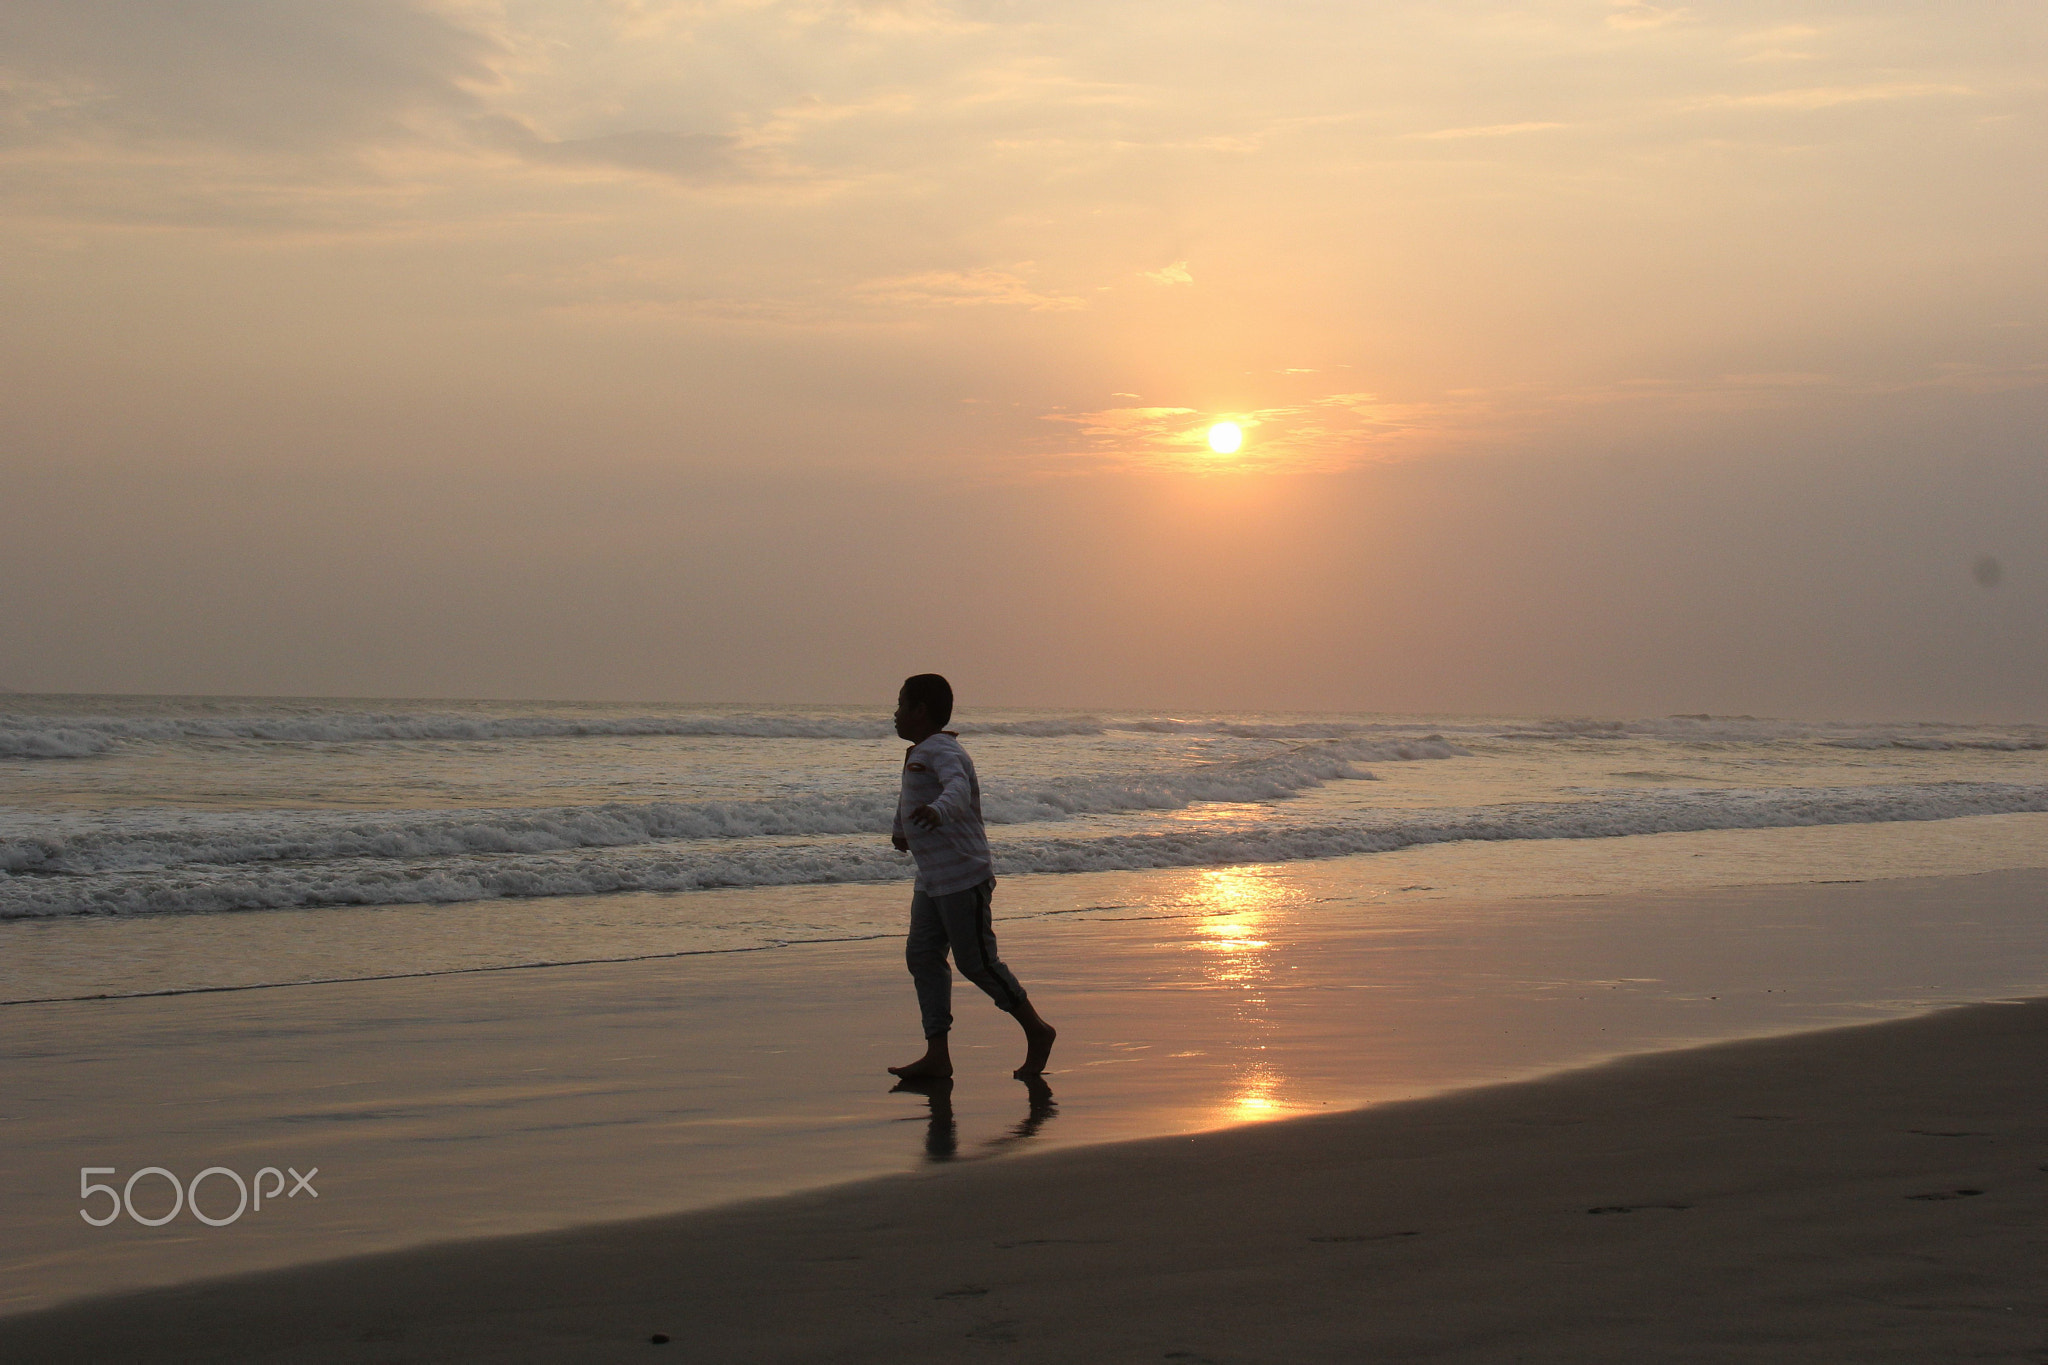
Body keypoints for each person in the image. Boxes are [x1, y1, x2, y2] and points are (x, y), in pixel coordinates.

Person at [885, 673, 1056, 1080]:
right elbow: (908, 796)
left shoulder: (946, 751)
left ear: (920, 711)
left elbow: (956, 790)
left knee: (976, 962)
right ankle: (937, 1053)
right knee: (922, 957)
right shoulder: (918, 752)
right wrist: (900, 829)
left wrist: (939, 811)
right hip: (931, 879)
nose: (894, 714)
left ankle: (1037, 1029)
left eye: (900, 705)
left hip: (963, 875)